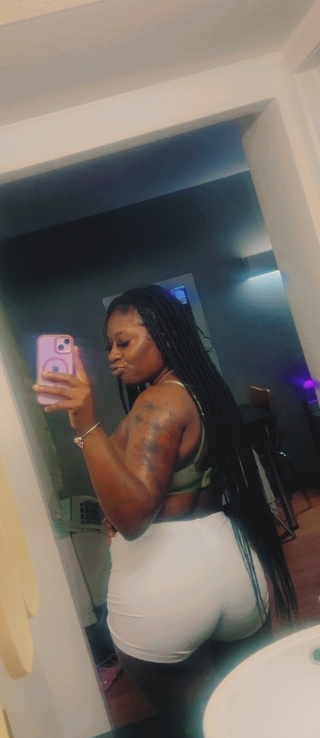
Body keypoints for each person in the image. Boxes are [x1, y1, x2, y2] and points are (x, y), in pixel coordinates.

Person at [33, 285, 297, 714]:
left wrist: (85, 424)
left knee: (195, 728)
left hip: (165, 584)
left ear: (165, 337)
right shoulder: (199, 390)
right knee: (250, 712)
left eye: (124, 342)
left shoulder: (157, 403)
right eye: (109, 346)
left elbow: (134, 517)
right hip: (232, 566)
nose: (113, 355)